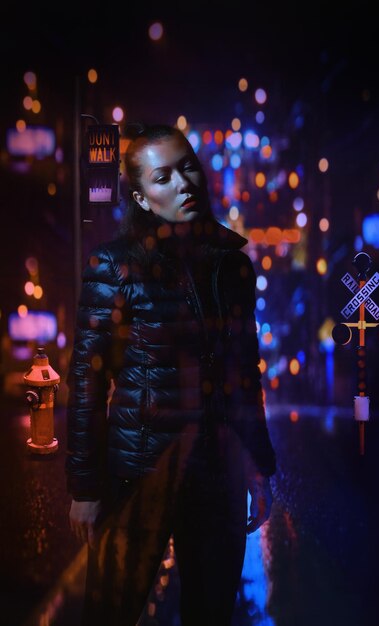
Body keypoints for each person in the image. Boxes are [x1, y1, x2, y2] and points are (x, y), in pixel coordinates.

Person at [66, 122, 276, 626]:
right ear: (140, 196)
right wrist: (85, 487)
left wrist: (258, 466)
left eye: (188, 169)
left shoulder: (233, 266)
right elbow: (87, 382)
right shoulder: (115, 267)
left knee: (211, 613)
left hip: (215, 474)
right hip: (138, 473)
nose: (183, 184)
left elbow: (244, 376)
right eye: (163, 177)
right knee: (109, 613)